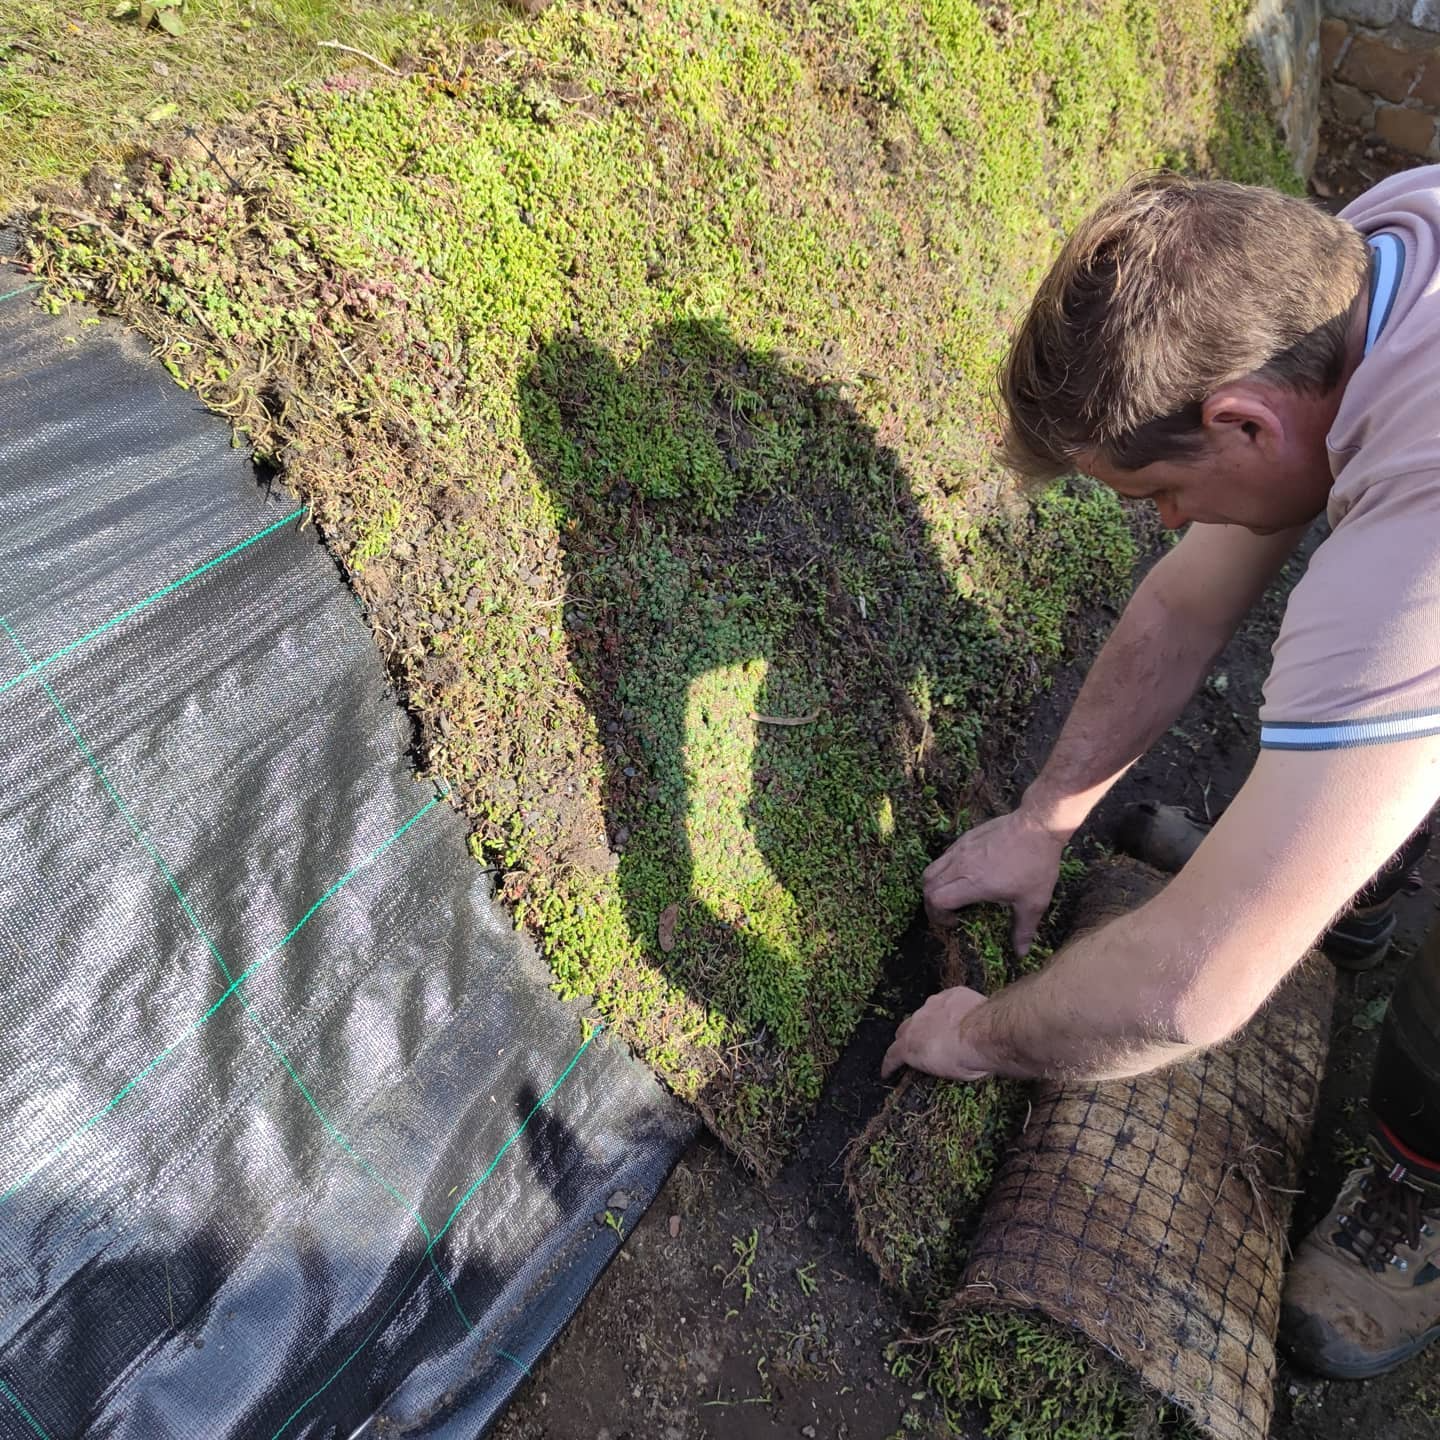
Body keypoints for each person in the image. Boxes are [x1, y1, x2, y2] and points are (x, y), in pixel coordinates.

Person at [879, 169, 1440, 1380]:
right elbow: (1192, 604)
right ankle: (1359, 874)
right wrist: (1045, 819)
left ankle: (1418, 1173)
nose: (1171, 526)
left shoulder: (1417, 547)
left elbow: (1192, 988)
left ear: (1243, 423)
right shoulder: (1377, 250)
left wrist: (981, 1036)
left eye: (1160, 493)